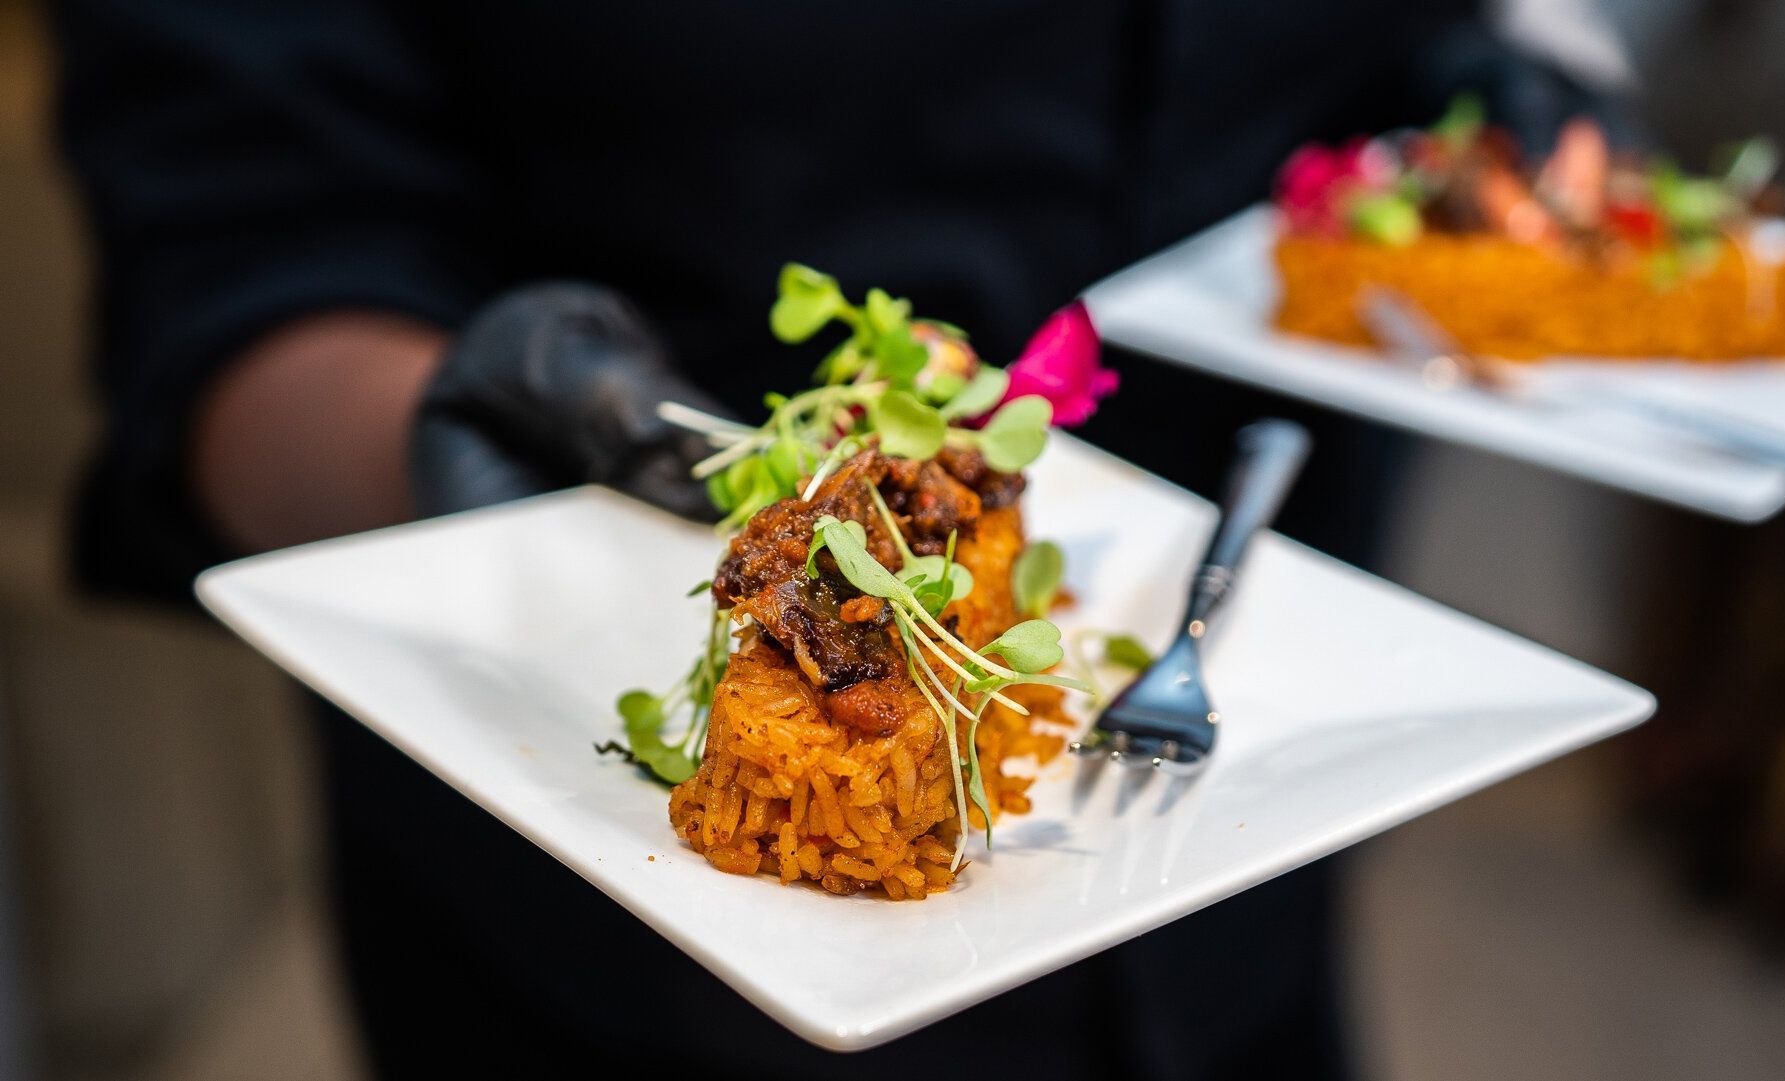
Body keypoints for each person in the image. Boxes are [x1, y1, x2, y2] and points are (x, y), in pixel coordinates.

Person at [52, 3, 1614, 1077]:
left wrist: (1502, 79)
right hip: (622, 979)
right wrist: (474, 422)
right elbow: (239, 249)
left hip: (1252, 813)